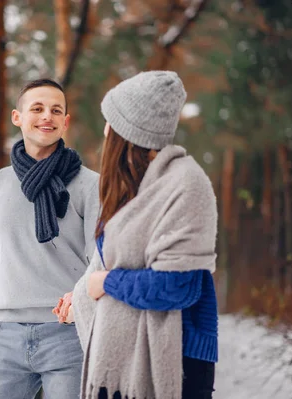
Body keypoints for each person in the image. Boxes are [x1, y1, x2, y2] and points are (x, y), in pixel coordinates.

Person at [60, 71, 218, 399]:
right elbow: (106, 262)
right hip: (119, 353)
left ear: (128, 133)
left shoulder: (187, 184)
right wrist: (81, 295)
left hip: (178, 357)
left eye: (111, 121)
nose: (105, 130)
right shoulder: (129, 188)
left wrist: (105, 285)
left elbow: (178, 287)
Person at [0, 78, 100, 399]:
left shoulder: (89, 184)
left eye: (56, 111)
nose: (46, 117)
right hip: (5, 336)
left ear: (65, 122)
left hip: (68, 333)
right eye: (37, 109)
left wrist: (82, 306)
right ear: (17, 117)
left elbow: (100, 260)